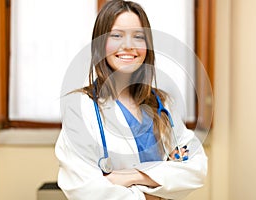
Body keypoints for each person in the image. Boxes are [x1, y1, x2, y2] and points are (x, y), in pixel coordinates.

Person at [55, 0, 207, 199]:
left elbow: (196, 168)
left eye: (138, 36)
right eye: (117, 35)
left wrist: (131, 177)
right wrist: (155, 193)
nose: (128, 46)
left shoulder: (162, 104)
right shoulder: (81, 108)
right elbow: (84, 190)